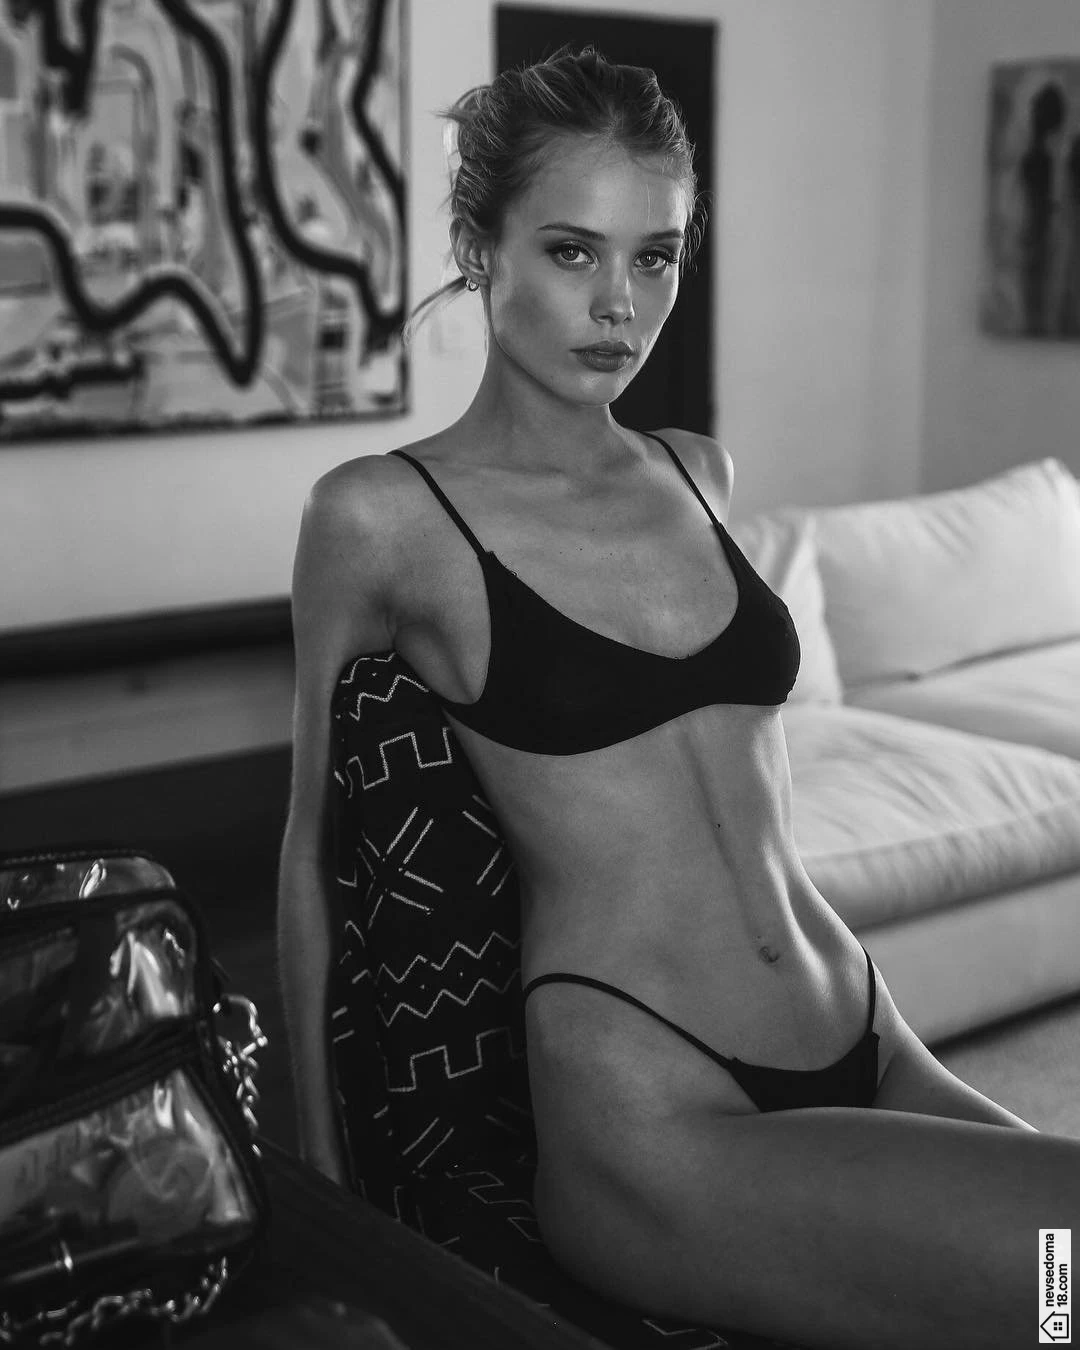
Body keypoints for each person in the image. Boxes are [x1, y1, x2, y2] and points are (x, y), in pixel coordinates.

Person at [278, 46, 1080, 1350]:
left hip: (856, 1023)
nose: (620, 304)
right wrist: (322, 1209)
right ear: (480, 250)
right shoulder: (382, 517)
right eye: (572, 252)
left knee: (1052, 1302)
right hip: (654, 1109)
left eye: (654, 257)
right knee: (1065, 1261)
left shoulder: (699, 471)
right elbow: (315, 862)